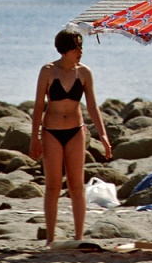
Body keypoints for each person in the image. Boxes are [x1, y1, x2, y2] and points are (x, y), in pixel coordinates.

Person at [29, 29, 112, 246]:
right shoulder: (47, 71)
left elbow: (92, 105)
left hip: (76, 130)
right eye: (76, 48)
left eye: (81, 47)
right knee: (53, 186)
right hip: (51, 132)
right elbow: (39, 106)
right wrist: (34, 137)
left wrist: (102, 134)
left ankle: (79, 237)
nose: (80, 51)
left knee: (76, 185)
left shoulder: (84, 73)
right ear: (65, 50)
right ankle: (50, 238)